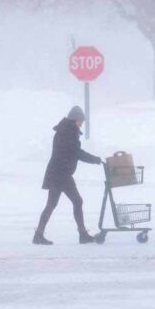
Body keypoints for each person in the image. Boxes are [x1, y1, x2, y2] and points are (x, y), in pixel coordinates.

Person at [33, 105, 102, 245]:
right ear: (75, 119)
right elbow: (77, 153)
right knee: (76, 201)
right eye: (81, 120)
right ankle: (82, 234)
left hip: (58, 173)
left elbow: (74, 152)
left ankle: (38, 235)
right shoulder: (68, 133)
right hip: (61, 174)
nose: (82, 123)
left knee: (53, 204)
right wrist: (95, 160)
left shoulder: (65, 131)